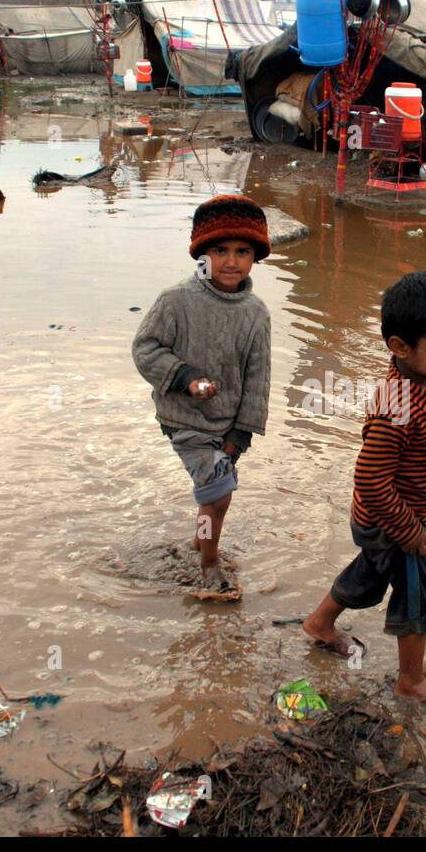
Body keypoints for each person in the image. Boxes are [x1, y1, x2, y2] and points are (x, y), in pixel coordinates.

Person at [302, 271, 426, 712]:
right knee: (417, 593)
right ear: (400, 347)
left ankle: (320, 624)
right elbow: (371, 481)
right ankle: (410, 681)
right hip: (389, 519)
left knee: (372, 574)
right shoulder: (395, 405)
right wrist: (409, 531)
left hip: (395, 516)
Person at [132, 195, 272, 593]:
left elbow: (259, 376)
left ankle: (198, 543)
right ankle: (210, 569)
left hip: (227, 423)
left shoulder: (256, 313)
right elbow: (146, 348)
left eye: (242, 251)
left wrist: (241, 433)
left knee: (220, 498)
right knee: (216, 496)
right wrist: (186, 377)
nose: (231, 262)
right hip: (184, 420)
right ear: (201, 253)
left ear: (256, 256)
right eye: (219, 250)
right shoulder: (177, 301)